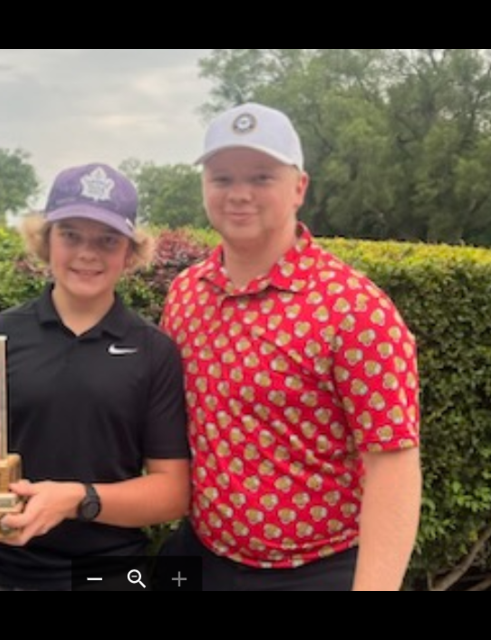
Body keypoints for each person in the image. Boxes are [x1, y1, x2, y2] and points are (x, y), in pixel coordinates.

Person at [159, 103, 422, 591]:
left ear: (299, 187)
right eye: (221, 178)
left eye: (261, 177)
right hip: (200, 554)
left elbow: (393, 465)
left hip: (315, 571)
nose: (239, 194)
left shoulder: (356, 310)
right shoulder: (185, 295)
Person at [0, 163, 191, 591]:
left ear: (130, 253)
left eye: (107, 240)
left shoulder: (153, 351)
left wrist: (78, 500)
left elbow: (172, 491)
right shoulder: (2, 334)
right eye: (71, 235)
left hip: (103, 575)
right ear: (45, 241)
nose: (87, 253)